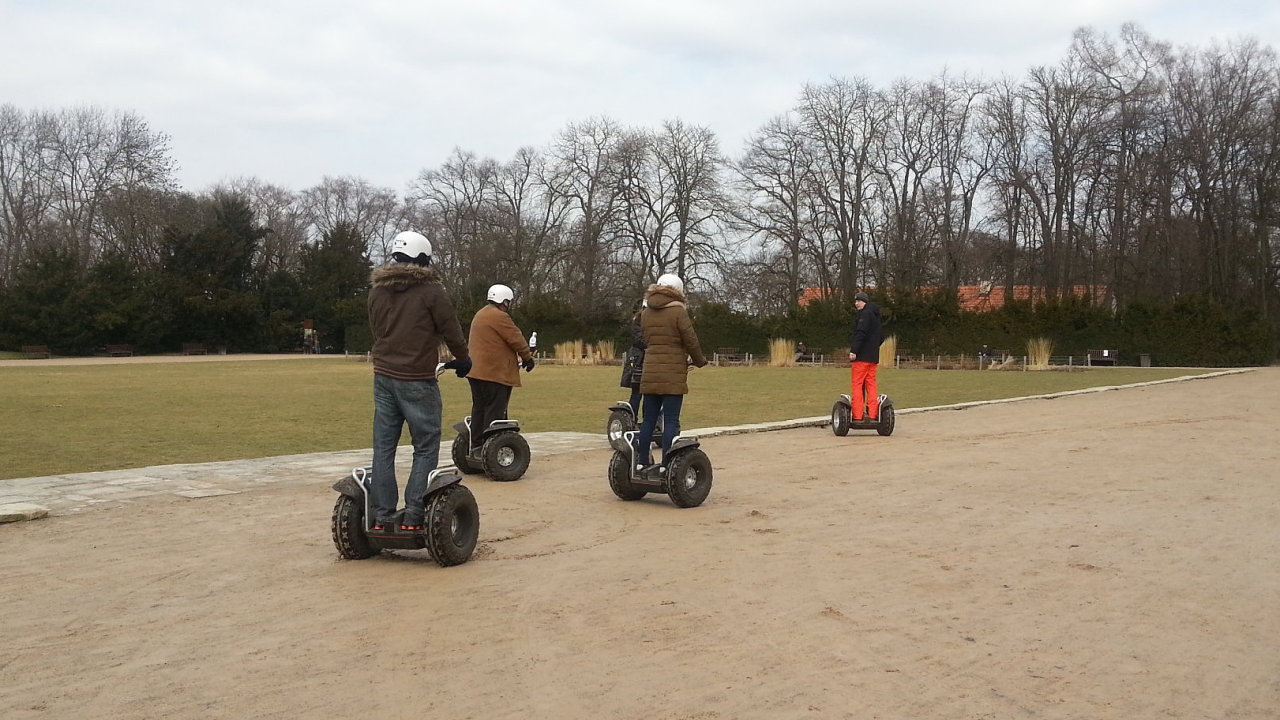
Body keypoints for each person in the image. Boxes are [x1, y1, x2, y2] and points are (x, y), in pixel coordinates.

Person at [367, 230, 471, 532]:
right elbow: (450, 328)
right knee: (425, 446)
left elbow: (378, 331)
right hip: (417, 378)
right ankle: (414, 514)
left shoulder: (377, 290)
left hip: (384, 376)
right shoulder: (431, 290)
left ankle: (383, 515)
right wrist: (463, 359)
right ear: (423, 258)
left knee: (383, 447)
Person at [635, 273, 707, 475]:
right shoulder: (678, 311)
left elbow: (643, 334)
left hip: (650, 370)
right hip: (673, 370)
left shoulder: (646, 311)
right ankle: (667, 464)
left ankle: (641, 461)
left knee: (648, 419)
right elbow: (690, 339)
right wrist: (700, 360)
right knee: (671, 420)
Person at [465, 284, 535, 460]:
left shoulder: (480, 314)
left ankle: (476, 447)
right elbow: (516, 338)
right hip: (494, 373)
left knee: (479, 409)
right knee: (495, 412)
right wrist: (527, 357)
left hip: (474, 372)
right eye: (508, 302)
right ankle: (491, 453)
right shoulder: (499, 316)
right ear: (504, 301)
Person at [848, 291, 883, 421]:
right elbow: (881, 337)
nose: (856, 303)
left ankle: (857, 415)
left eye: (859, 301)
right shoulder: (876, 315)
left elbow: (860, 333)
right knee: (871, 385)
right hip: (873, 358)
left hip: (861, 358)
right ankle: (873, 414)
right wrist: (873, 347)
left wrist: (854, 351)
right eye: (856, 301)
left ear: (865, 302)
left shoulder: (865, 314)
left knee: (857, 384)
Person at [620, 300, 647, 417]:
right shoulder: (637, 324)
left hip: (644, 359)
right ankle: (631, 418)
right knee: (637, 392)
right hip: (638, 361)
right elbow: (639, 341)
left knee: (648, 395)